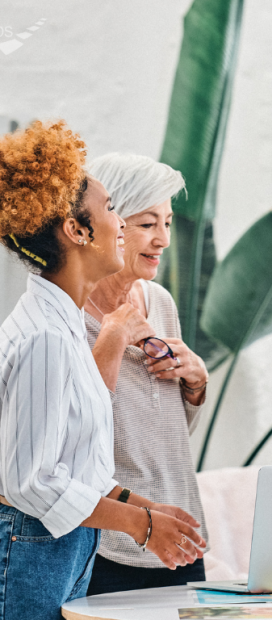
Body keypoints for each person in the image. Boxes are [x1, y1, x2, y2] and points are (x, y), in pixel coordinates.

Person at [0, 121, 205, 620]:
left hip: (63, 548)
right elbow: (32, 483)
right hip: (37, 552)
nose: (123, 227)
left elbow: (74, 461)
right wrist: (140, 525)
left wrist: (142, 507)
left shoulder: (61, 322)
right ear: (78, 231)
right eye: (113, 210)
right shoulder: (47, 336)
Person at [79, 153, 211, 595]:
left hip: (182, 533)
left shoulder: (160, 302)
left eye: (167, 223)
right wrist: (113, 338)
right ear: (108, 223)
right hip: (109, 545)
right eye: (148, 223)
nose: (163, 239)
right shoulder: (71, 320)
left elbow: (167, 433)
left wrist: (195, 383)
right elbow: (75, 433)